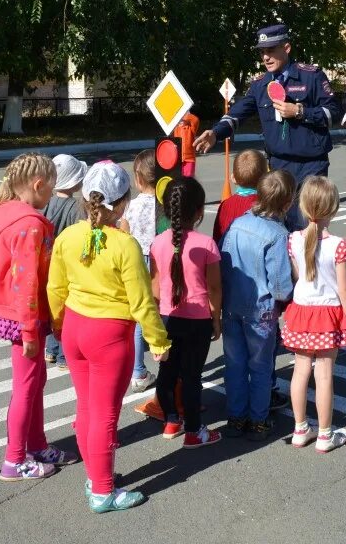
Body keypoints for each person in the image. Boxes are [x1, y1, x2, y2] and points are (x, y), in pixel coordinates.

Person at [47, 162, 171, 513]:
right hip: (110, 337)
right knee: (105, 416)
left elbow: (55, 287)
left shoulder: (68, 237)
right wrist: (158, 341)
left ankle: (95, 475)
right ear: (122, 203)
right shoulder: (125, 244)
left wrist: (57, 325)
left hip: (74, 328)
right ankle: (102, 491)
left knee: (87, 408)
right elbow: (142, 301)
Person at [193, 23, 339, 232]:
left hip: (311, 166)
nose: (266, 57)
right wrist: (216, 133)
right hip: (278, 166)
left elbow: (333, 113)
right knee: (280, 227)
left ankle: (311, 265)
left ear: (286, 48)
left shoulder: (311, 76)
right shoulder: (260, 84)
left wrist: (299, 111)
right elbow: (237, 113)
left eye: (271, 50)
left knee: (309, 229)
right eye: (262, 52)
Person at [0, 152, 73, 481]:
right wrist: (30, 332)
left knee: (35, 382)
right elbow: (27, 282)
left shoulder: (6, 214)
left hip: (17, 314)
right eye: (51, 189)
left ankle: (36, 444)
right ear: (37, 185)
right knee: (25, 387)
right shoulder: (29, 225)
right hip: (25, 317)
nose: (52, 195)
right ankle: (14, 459)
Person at [282, 176, 346, 453]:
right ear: (334, 209)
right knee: (324, 375)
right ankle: (325, 434)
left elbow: (295, 276)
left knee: (300, 371)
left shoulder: (293, 240)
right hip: (327, 314)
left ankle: (300, 429)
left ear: (302, 207)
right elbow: (345, 289)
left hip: (301, 312)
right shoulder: (338, 245)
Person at [219, 170, 295, 440]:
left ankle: (236, 417)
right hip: (260, 311)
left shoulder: (237, 224)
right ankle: (258, 419)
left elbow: (223, 262)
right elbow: (280, 287)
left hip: (231, 305)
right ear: (287, 204)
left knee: (234, 363)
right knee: (260, 366)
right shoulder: (278, 235)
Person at [148, 177, 222, 448]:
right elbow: (214, 288)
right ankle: (194, 430)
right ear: (200, 211)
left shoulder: (157, 243)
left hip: (167, 318)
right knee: (192, 376)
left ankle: (171, 420)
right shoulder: (207, 244)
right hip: (198, 320)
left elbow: (154, 289)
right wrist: (216, 318)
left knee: (167, 372)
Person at [42, 154, 88, 369]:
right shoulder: (76, 207)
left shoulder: (46, 202)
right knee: (66, 310)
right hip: (67, 265)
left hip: (46, 263)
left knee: (51, 307)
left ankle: (50, 350)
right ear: (75, 182)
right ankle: (63, 356)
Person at [119, 149, 159, 393]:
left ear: (138, 179)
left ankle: (137, 371)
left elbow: (123, 234)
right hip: (160, 261)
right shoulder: (165, 204)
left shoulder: (131, 206)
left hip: (136, 260)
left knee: (138, 318)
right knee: (160, 313)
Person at [212, 149, 269, 244]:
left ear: (233, 178)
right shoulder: (265, 204)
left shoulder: (225, 205)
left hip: (228, 255)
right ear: (265, 178)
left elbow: (217, 235)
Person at [173, 112, 200, 179]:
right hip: (178, 159)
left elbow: (196, 120)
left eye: (183, 120)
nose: (181, 121)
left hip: (189, 159)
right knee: (179, 179)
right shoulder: (176, 128)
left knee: (188, 180)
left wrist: (186, 115)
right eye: (180, 120)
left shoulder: (191, 128)